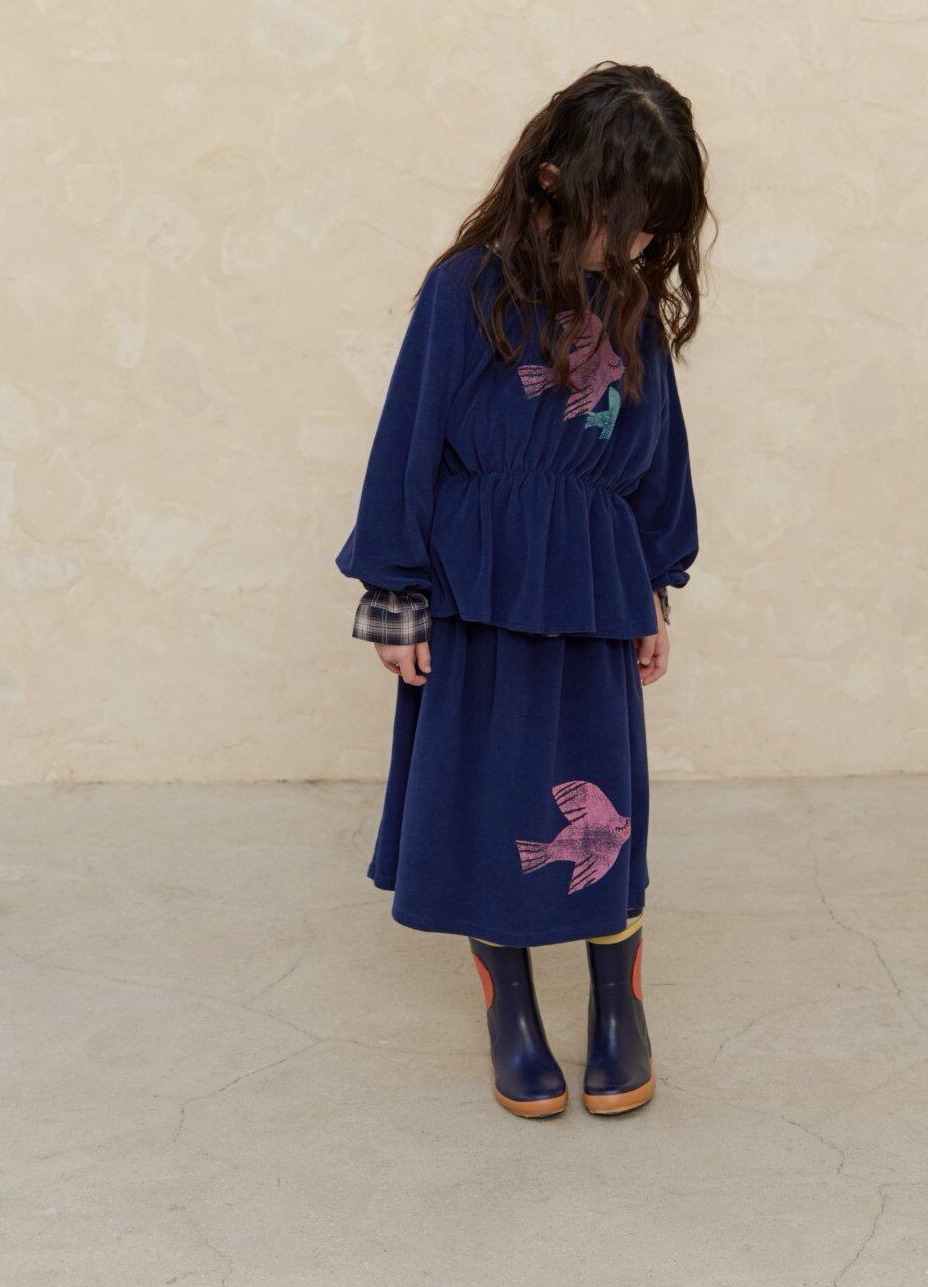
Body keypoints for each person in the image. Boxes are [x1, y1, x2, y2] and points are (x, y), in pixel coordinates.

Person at [336, 62, 708, 1117]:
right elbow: (408, 438)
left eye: (655, 223)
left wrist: (655, 587)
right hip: (477, 585)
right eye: (623, 216)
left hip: (592, 584)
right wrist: (396, 590)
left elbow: (657, 456)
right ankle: (512, 1013)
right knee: (490, 790)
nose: (638, 241)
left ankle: (618, 1007)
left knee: (604, 802)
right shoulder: (465, 290)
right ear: (552, 178)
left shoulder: (629, 307)